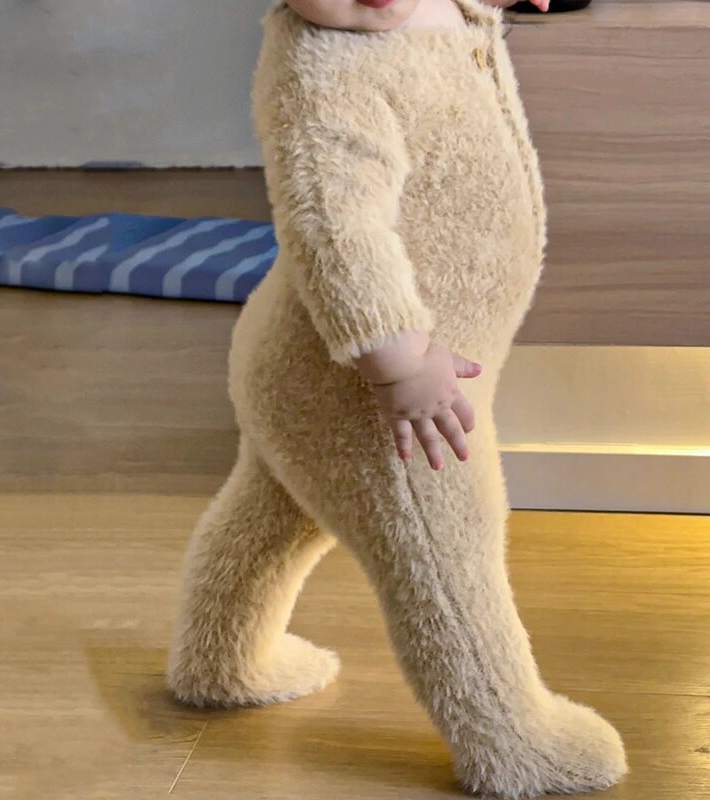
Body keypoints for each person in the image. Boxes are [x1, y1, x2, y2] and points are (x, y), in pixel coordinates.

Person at [168, 1, 627, 797]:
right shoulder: (326, 72)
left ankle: (223, 659)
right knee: (448, 548)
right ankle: (512, 737)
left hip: (294, 365)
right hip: (365, 383)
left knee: (273, 515)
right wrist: (400, 364)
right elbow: (337, 232)